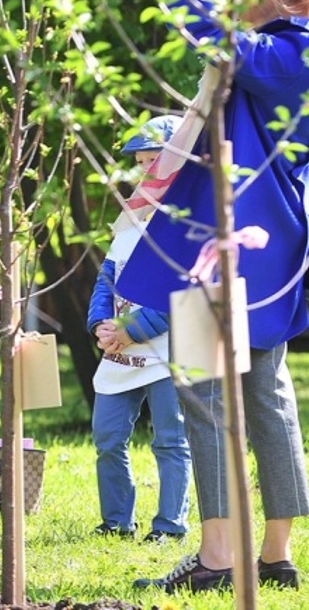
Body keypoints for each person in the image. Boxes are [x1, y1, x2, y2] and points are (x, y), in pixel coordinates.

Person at [118, 0, 309, 592]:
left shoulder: (285, 50)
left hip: (223, 242)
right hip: (273, 247)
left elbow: (201, 24)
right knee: (266, 393)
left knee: (203, 391)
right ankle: (277, 556)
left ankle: (218, 559)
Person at [87, 116, 191, 543]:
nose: (149, 170)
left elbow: (186, 288)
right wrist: (100, 325)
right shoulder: (133, 214)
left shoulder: (188, 219)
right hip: (120, 350)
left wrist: (136, 327)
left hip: (171, 351)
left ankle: (169, 526)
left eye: (157, 160)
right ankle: (116, 522)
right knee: (108, 438)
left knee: (170, 440)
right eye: (143, 162)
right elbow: (107, 277)